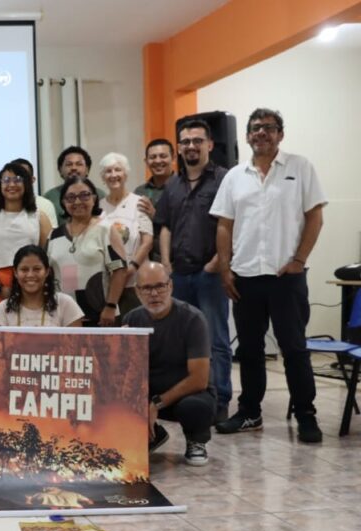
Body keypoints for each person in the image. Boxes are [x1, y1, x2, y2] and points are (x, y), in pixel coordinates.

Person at [212, 108, 326, 443]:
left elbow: (315, 217)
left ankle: (306, 416)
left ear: (280, 134)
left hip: (285, 277)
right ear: (247, 136)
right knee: (248, 350)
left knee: (294, 348)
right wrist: (225, 267)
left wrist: (299, 260)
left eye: (269, 127)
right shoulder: (235, 176)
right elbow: (224, 225)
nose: (262, 132)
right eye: (256, 128)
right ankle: (249, 413)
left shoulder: (300, 167)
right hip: (245, 276)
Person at [157, 118, 232, 422]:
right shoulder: (172, 184)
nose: (191, 146)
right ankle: (193, 396)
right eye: (185, 141)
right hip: (179, 275)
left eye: (197, 141)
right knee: (184, 342)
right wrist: (165, 264)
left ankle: (221, 399)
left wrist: (217, 262)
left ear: (210, 145)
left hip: (209, 275)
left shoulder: (225, 180)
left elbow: (232, 224)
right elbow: (164, 226)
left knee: (215, 338)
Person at [125, 262, 216, 466]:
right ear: (137, 291)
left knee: (194, 407)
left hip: (186, 393)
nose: (154, 293)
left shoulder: (193, 319)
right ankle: (152, 435)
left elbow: (199, 380)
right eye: (147, 288)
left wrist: (156, 403)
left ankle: (196, 440)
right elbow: (124, 372)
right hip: (150, 391)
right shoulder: (131, 319)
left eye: (160, 286)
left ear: (171, 286)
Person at [45, 176, 128, 326]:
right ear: (63, 202)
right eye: (70, 197)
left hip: (100, 315)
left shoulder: (106, 229)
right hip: (63, 316)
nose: (77, 202)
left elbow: (119, 270)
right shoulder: (53, 235)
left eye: (84, 195)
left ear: (94, 198)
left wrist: (111, 306)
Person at [0, 162, 51, 324]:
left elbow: (49, 254)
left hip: (33, 281)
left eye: (17, 180)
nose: (11, 185)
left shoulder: (39, 217)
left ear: (26, 184)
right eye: (6, 180)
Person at [98, 152, 154, 313]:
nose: (113, 175)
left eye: (118, 170)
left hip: (137, 281)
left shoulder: (139, 202)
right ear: (103, 177)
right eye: (108, 171)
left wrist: (132, 267)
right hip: (109, 284)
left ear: (126, 174)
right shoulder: (98, 207)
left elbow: (147, 241)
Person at [0, 245, 83, 327]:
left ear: (47, 272)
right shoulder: (3, 309)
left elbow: (76, 345)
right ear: (15, 273)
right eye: (24, 269)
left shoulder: (65, 304)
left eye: (37, 269)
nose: (30, 275)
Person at [42, 146, 105, 223]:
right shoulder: (49, 198)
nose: (74, 168)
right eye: (69, 164)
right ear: (60, 170)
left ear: (87, 170)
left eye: (79, 164)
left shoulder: (100, 195)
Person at [12, 157, 58, 229]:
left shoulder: (45, 205)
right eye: (14, 178)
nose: (16, 183)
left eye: (23, 177)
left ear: (32, 180)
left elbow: (51, 237)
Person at [135, 138, 175, 208]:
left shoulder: (185, 188)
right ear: (146, 161)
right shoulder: (139, 192)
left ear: (173, 158)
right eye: (152, 157)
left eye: (163, 156)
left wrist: (154, 215)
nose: (157, 161)